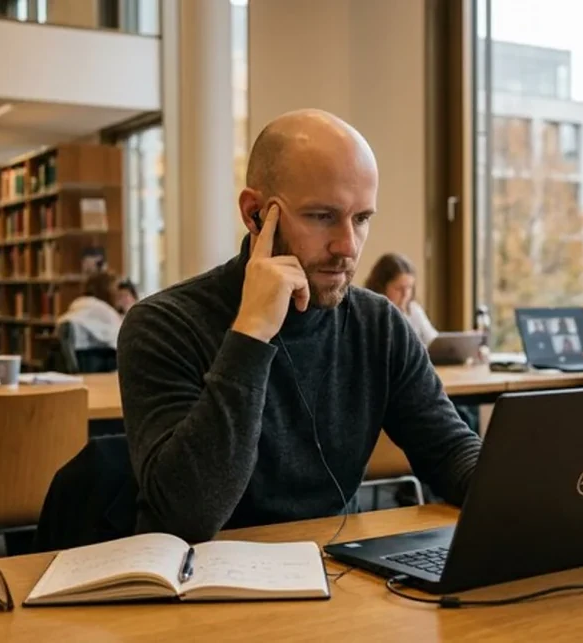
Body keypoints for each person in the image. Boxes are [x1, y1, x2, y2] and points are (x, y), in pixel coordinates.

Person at [118, 109, 482, 541]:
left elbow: (451, 451)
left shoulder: (378, 325)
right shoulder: (164, 324)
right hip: (200, 585)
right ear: (255, 214)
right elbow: (187, 517)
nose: (347, 246)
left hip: (335, 573)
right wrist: (251, 332)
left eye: (362, 218)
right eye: (322, 216)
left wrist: (527, 496)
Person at [364, 253, 438, 346]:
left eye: (409, 287)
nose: (405, 294)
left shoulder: (413, 309)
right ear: (381, 288)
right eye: (399, 288)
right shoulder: (368, 313)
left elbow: (433, 341)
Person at [57, 271, 124, 350]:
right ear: (107, 290)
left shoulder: (80, 305)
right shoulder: (102, 309)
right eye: (117, 288)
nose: (119, 294)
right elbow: (120, 340)